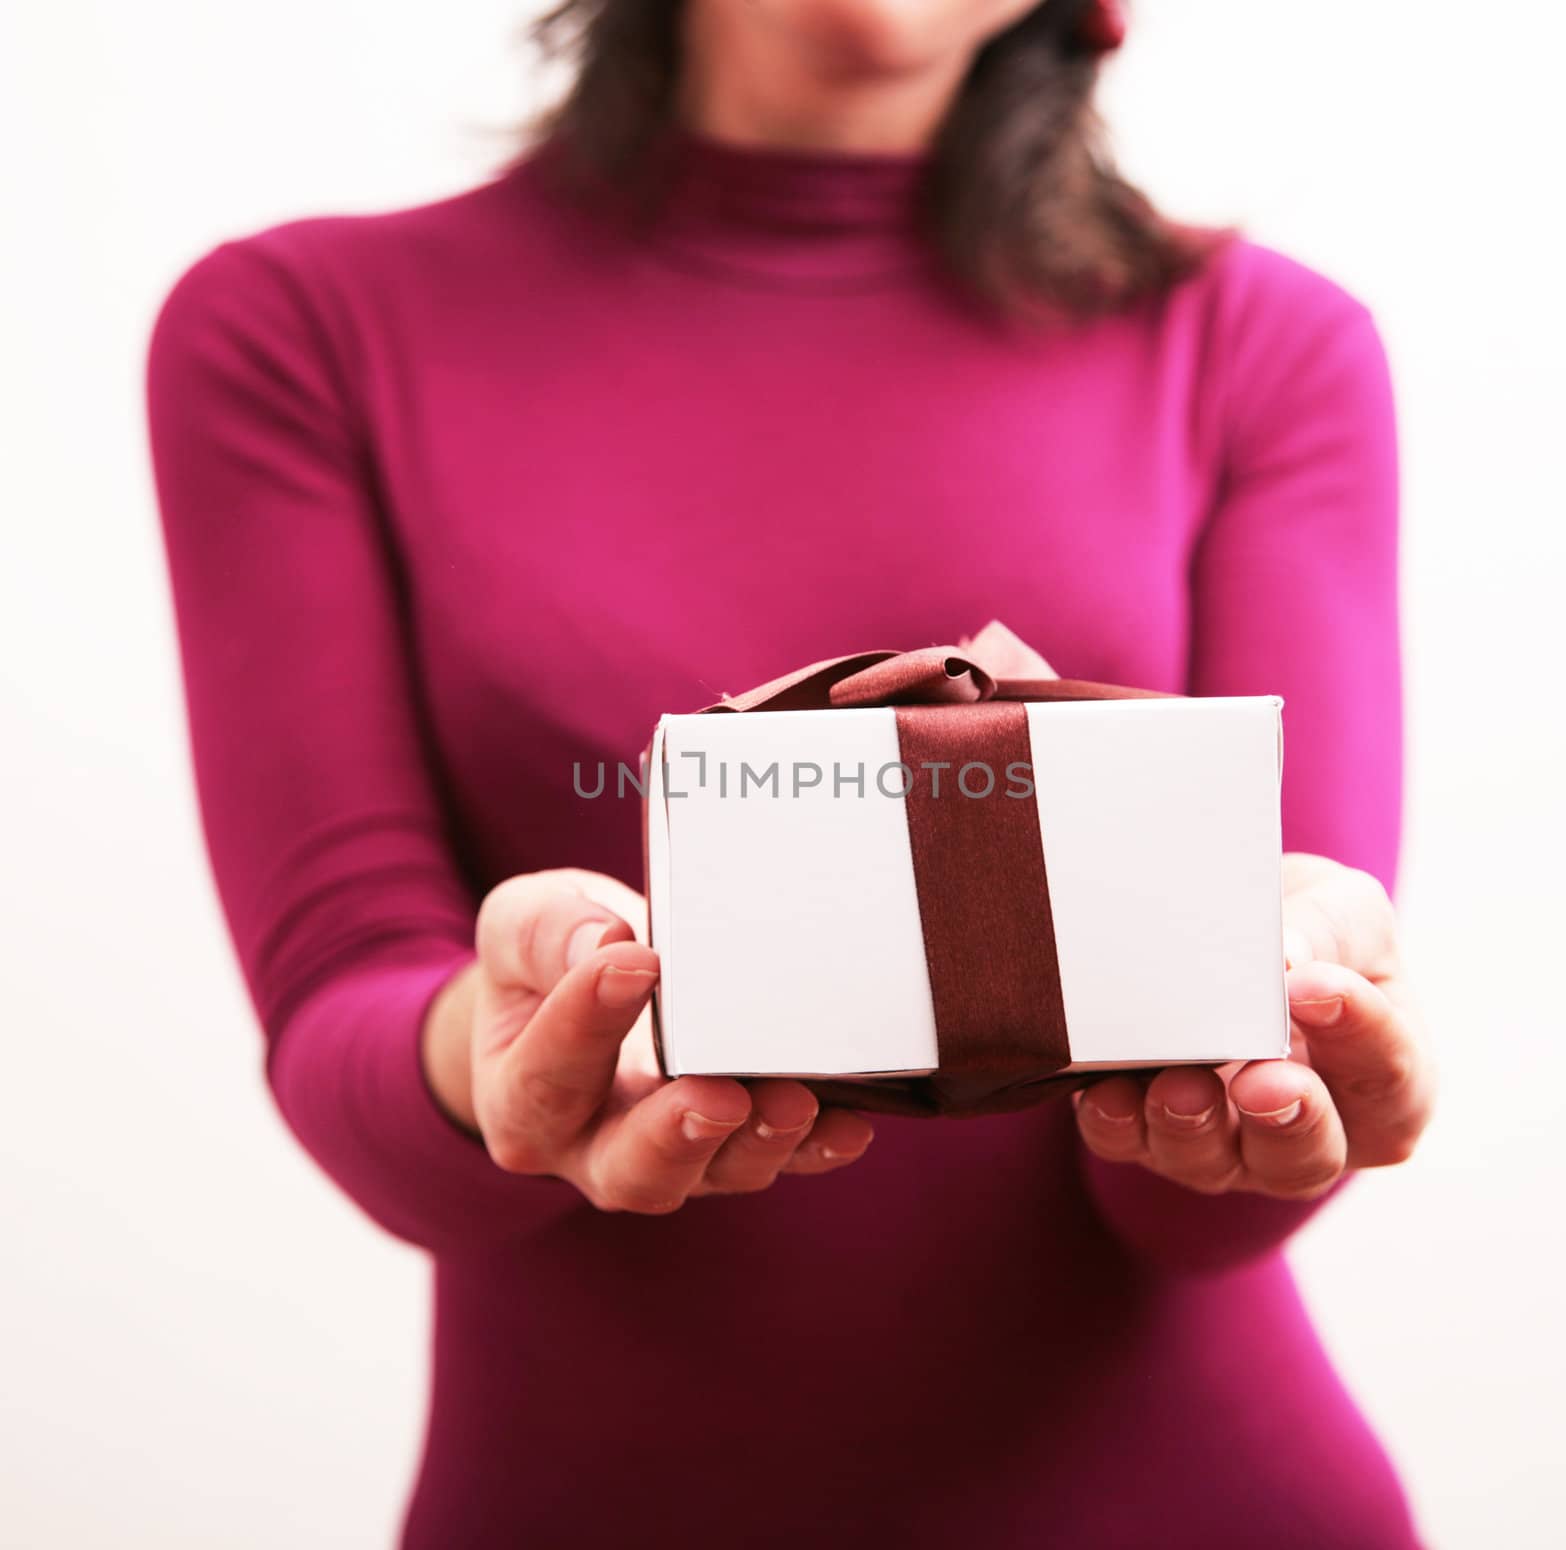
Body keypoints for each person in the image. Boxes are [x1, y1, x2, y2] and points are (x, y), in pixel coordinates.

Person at [147, 1, 1436, 1544]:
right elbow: (348, 992)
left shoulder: (1259, 344)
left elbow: (1198, 1195)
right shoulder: (301, 329)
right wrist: (497, 1065)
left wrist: (1261, 1056)